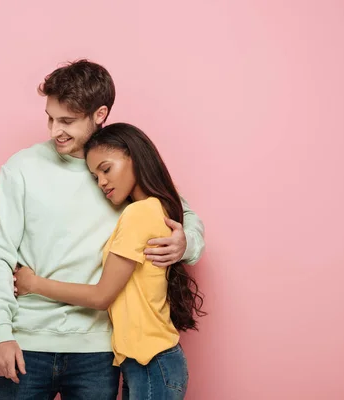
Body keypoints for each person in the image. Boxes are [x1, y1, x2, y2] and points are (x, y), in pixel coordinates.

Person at [0, 60, 206, 399]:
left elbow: (177, 210)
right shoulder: (21, 169)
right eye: (50, 118)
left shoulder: (118, 166)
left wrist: (185, 242)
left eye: (67, 120)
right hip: (26, 342)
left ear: (99, 114)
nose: (55, 130)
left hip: (98, 351)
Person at [14, 122, 206, 399]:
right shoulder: (152, 208)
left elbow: (101, 296)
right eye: (95, 176)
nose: (102, 182)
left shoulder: (140, 214)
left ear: (135, 158)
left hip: (151, 362)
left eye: (106, 169)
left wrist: (33, 284)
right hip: (144, 363)